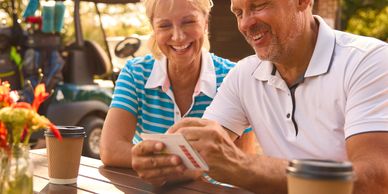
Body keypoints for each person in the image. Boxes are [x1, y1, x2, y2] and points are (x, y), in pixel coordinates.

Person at [131, 0, 388, 193]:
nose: (245, 24)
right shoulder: (245, 73)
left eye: (259, 6)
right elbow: (198, 155)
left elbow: (375, 180)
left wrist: (242, 166)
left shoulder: (369, 61)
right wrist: (163, 164)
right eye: (239, 12)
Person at [100, 0, 257, 184]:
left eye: (188, 22)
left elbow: (243, 162)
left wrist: (156, 159)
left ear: (205, 21)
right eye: (165, 25)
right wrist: (182, 162)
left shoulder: (232, 77)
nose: (178, 36)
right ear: (154, 29)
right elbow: (110, 150)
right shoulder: (135, 73)